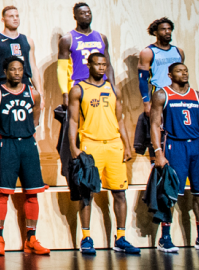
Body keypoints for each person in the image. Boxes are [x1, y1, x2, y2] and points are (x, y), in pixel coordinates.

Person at [67, 53, 139, 255]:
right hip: (91, 145)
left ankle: (121, 238)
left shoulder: (112, 88)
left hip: (114, 145)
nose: (101, 68)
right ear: (88, 65)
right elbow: (72, 121)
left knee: (119, 193)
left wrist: (126, 144)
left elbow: (120, 119)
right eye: (97, 64)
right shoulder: (78, 89)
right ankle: (86, 238)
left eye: (104, 65)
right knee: (87, 193)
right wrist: (74, 146)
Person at [150, 61, 199, 254]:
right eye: (179, 71)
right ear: (170, 75)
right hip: (175, 146)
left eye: (186, 70)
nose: (184, 73)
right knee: (170, 193)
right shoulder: (162, 94)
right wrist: (158, 152)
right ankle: (165, 238)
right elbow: (155, 124)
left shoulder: (197, 96)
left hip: (196, 146)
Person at [0, 56, 50, 256]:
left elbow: (36, 115)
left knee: (32, 193)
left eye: (20, 69)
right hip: (6, 144)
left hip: (28, 144)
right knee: (2, 194)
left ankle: (31, 238)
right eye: (13, 69)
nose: (17, 73)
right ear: (5, 71)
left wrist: (29, 129)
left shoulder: (33, 93)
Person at [0, 7, 37, 95]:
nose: (15, 18)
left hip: (25, 85)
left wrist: (40, 92)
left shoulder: (28, 40)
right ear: (3, 19)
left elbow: (33, 68)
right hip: (4, 86)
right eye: (11, 16)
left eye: (17, 16)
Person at [58, 3, 109, 93]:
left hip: (101, 84)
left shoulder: (101, 37)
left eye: (89, 12)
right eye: (82, 13)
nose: (87, 15)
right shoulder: (67, 39)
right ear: (75, 17)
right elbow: (62, 69)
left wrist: (112, 86)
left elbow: (108, 65)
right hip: (79, 85)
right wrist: (64, 93)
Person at [138, 18, 185, 114]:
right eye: (163, 29)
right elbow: (143, 79)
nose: (167, 32)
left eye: (169, 29)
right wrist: (146, 103)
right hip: (160, 95)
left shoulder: (178, 51)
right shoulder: (148, 52)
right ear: (155, 32)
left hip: (178, 95)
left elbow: (183, 75)